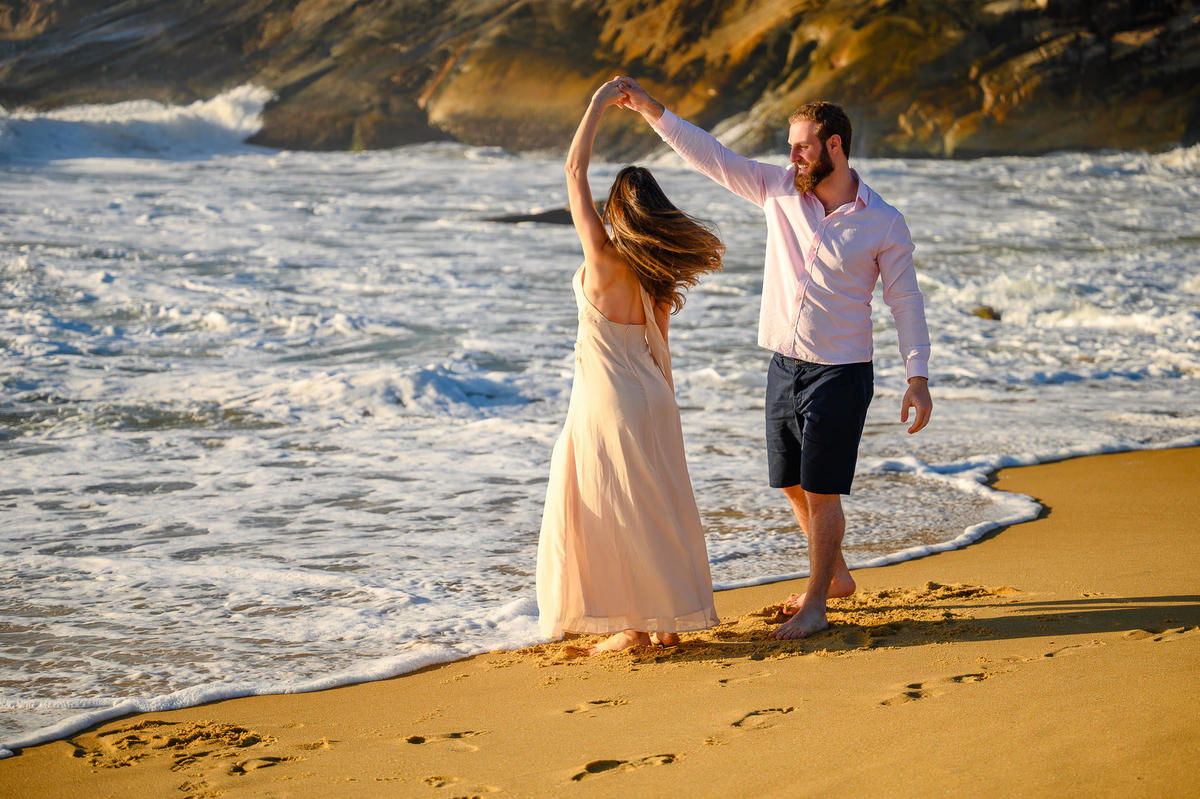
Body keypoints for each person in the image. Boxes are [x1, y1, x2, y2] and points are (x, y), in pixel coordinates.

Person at [615, 76, 933, 640]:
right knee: (789, 481)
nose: (792, 156)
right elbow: (710, 156)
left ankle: (816, 604)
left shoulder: (882, 221)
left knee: (821, 488)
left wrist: (917, 376)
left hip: (841, 371)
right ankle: (835, 577)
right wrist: (648, 109)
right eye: (791, 146)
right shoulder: (778, 190)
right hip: (784, 366)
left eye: (803, 145)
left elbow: (904, 299)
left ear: (834, 146)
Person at [535, 78, 724, 654]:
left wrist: (594, 105)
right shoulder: (656, 273)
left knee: (614, 515)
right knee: (657, 511)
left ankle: (633, 629)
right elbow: (661, 348)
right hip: (655, 397)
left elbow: (573, 171)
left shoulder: (601, 257)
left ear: (616, 212)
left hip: (605, 402)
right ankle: (666, 624)